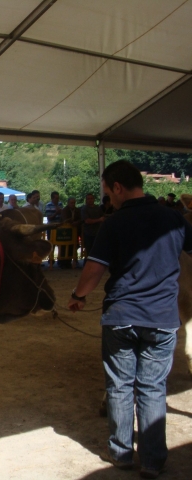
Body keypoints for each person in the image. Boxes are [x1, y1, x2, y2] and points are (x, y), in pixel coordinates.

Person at [68, 161, 192, 479]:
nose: (108, 199)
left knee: (120, 386)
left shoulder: (114, 223)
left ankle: (121, 453)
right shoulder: (174, 219)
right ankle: (152, 460)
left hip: (122, 316)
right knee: (153, 388)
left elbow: (93, 270)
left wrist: (79, 296)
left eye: (108, 192)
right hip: (162, 318)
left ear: (118, 187)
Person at [81, 193, 104, 260]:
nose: (90, 200)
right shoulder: (84, 209)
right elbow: (87, 221)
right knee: (89, 252)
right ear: (86, 200)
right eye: (88, 199)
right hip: (88, 233)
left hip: (97, 233)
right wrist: (99, 220)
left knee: (97, 251)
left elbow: (103, 217)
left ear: (94, 199)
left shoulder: (98, 208)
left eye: (91, 198)